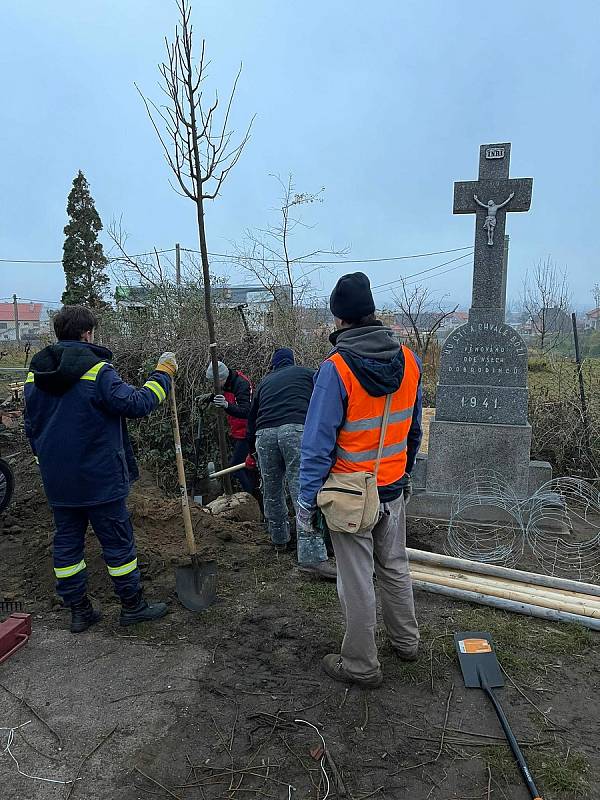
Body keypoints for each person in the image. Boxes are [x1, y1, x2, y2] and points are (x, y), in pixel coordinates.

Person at [297, 272, 423, 688]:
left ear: (339, 321)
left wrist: (305, 498)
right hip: (392, 488)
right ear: (372, 313)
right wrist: (402, 472)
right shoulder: (409, 361)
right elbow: (413, 431)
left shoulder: (336, 369)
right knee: (395, 567)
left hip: (351, 494)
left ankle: (361, 665)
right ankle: (406, 643)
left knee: (356, 582)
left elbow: (317, 443)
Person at [24, 305, 177, 634]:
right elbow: (136, 404)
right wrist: (163, 373)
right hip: (99, 476)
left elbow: (31, 425)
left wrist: (44, 461)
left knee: (67, 543)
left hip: (59, 479)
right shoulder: (98, 371)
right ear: (87, 334)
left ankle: (79, 611)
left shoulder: (34, 375)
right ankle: (132, 606)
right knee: (117, 542)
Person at [246, 348, 315, 551]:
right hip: (294, 431)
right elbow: (324, 402)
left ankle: (279, 540)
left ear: (273, 365)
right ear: (293, 361)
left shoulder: (265, 382)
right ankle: (307, 546)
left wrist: (251, 450)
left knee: (272, 489)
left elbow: (252, 417)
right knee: (300, 487)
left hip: (264, 435)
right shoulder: (308, 374)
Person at [204, 360, 254, 493]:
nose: (213, 385)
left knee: (236, 467)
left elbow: (246, 411)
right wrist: (211, 398)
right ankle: (253, 496)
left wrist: (226, 405)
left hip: (247, 432)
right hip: (237, 431)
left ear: (221, 378)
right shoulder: (227, 384)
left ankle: (251, 498)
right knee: (245, 468)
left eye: (214, 382)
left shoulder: (241, 384)